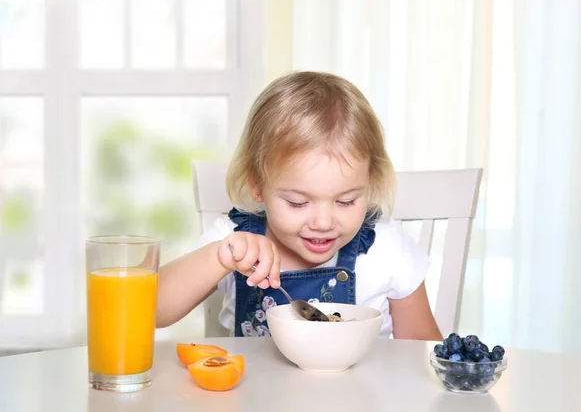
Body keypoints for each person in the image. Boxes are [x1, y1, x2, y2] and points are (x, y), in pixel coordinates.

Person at [156, 71, 442, 341]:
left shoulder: (388, 248)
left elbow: (422, 354)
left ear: (371, 182)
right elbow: (153, 311)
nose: (323, 222)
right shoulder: (234, 240)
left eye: (346, 201)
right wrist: (220, 258)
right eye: (297, 202)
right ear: (257, 184)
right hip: (256, 394)